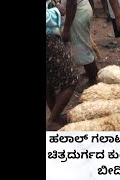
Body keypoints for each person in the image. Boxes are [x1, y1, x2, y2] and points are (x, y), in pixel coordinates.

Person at [46, 0, 78, 131]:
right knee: (71, 79)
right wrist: (57, 11)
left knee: (49, 79)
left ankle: (55, 115)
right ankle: (51, 121)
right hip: (48, 39)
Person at [61, 0, 99, 89]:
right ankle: (92, 71)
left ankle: (92, 80)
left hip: (77, 13)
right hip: (79, 10)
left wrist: (66, 29)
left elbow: (72, 2)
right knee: (84, 45)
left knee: (82, 49)